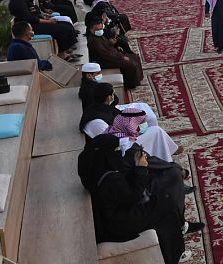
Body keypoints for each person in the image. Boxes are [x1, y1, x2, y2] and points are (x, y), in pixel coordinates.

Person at [76, 134, 198, 264]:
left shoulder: (91, 166)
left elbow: (123, 190)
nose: (119, 154)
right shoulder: (110, 180)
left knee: (161, 201)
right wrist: (141, 169)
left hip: (114, 215)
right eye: (116, 150)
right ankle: (175, 255)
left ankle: (178, 229)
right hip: (119, 224)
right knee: (164, 205)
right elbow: (135, 196)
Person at [79, 82, 179, 162]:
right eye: (112, 94)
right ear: (108, 97)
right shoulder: (96, 121)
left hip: (122, 139)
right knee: (155, 131)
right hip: (122, 149)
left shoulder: (102, 107)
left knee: (147, 124)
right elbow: (111, 141)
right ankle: (167, 158)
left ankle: (168, 150)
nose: (114, 96)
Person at [8, 0, 80, 59]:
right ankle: (62, 54)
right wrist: (47, 22)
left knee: (66, 24)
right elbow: (29, 17)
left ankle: (64, 50)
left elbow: (35, 10)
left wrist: (45, 16)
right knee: (62, 29)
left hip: (36, 22)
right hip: (31, 27)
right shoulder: (17, 1)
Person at [78, 63, 158, 125]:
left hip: (109, 110)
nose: (100, 75)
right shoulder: (91, 89)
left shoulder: (90, 84)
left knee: (142, 106)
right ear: (89, 75)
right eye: (98, 73)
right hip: (109, 112)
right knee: (149, 117)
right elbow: (109, 103)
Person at [86, 13, 144, 89]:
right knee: (129, 63)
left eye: (101, 29)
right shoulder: (93, 41)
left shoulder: (98, 36)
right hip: (105, 61)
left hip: (111, 56)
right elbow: (105, 54)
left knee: (134, 57)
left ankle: (137, 80)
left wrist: (112, 44)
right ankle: (129, 84)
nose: (100, 31)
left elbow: (107, 46)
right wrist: (121, 57)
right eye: (97, 30)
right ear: (91, 29)